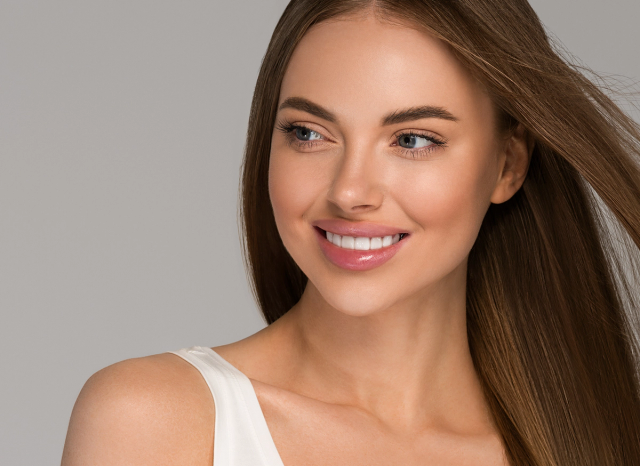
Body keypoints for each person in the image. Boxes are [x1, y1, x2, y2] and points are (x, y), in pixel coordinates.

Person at [61, 1, 640, 465]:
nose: (350, 191)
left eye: (413, 139)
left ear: (508, 165)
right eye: (309, 133)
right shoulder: (156, 421)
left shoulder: (591, 445)